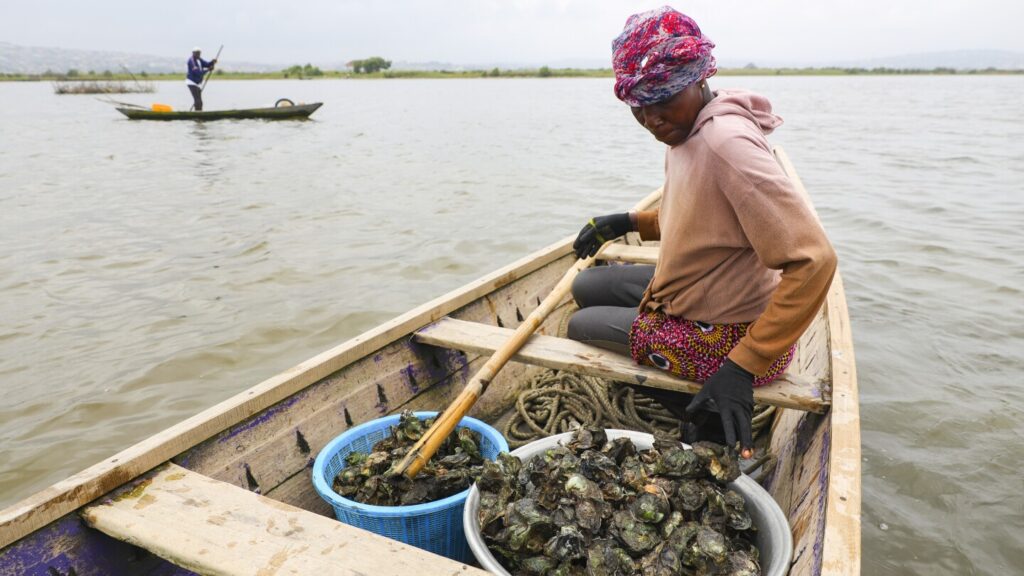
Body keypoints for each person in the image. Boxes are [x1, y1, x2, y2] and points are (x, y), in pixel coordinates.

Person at [567, 6, 837, 457]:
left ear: (697, 78)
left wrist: (742, 368)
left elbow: (815, 261)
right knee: (584, 284)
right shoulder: (687, 128)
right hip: (701, 291)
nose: (652, 118)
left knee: (579, 326)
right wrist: (630, 222)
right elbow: (704, 217)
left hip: (734, 334)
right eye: (640, 105)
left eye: (664, 98)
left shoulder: (725, 143)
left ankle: (709, 416)